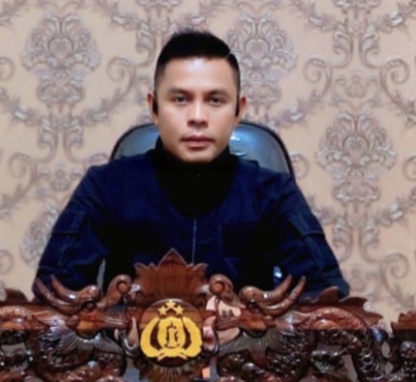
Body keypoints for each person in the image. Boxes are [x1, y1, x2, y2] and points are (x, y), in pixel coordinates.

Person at [34, 29, 349, 298]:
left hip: (245, 349)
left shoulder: (272, 192)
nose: (198, 117)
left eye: (215, 100)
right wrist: (124, 326)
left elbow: (328, 299)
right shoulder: (106, 187)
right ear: (154, 108)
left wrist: (244, 324)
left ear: (238, 111)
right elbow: (52, 296)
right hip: (131, 347)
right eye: (180, 99)